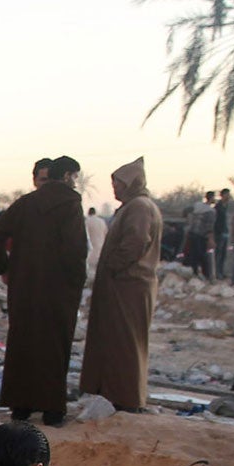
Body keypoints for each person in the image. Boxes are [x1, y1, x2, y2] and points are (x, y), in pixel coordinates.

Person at [0, 156, 87, 426]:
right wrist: (76, 282)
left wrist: (5, 268)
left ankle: (21, 407)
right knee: (54, 346)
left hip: (24, 287)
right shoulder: (70, 205)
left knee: (23, 342)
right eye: (75, 177)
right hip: (58, 290)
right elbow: (75, 250)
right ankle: (52, 409)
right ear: (67, 176)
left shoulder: (25, 204)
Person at [79, 158, 162, 412]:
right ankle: (116, 391)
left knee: (126, 342)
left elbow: (134, 243)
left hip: (129, 286)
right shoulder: (134, 206)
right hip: (125, 285)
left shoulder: (139, 207)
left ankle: (126, 396)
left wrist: (112, 267)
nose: (114, 189)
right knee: (117, 340)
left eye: (118, 184)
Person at [84, 203, 108, 273]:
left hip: (90, 252)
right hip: (101, 250)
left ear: (88, 213)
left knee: (90, 272)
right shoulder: (102, 221)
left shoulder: (87, 222)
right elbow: (106, 234)